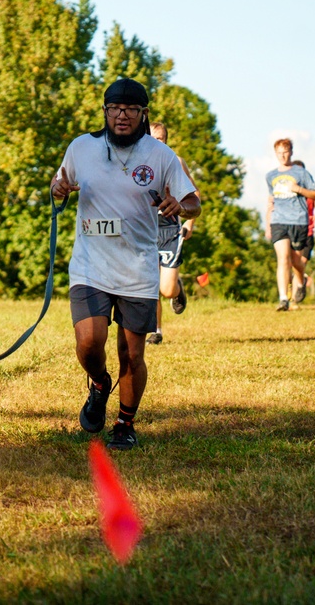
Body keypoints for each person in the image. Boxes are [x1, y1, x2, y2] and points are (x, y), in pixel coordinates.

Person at [50, 78, 200, 450]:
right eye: (115, 108)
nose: (122, 116)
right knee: (88, 343)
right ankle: (100, 383)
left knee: (131, 354)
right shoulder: (81, 148)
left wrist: (181, 206)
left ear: (143, 114)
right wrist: (58, 189)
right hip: (90, 265)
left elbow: (194, 200)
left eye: (131, 110)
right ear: (105, 111)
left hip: (137, 267)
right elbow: (60, 182)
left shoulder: (160, 155)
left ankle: (124, 424)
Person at [145, 122, 199, 345]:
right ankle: (155, 330)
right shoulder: (138, 163)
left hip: (170, 230)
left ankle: (177, 289)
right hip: (146, 229)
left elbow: (193, 195)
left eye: (160, 139)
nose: (156, 143)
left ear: (166, 141)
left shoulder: (176, 162)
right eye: (151, 138)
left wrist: (189, 223)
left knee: (166, 289)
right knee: (149, 283)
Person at [265, 139, 315, 311]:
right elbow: (271, 200)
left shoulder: (301, 173)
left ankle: (301, 280)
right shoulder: (270, 176)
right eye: (279, 152)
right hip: (279, 221)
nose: (282, 155)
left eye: (285, 151)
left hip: (298, 220)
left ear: (291, 152)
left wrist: (299, 190)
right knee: (283, 258)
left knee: (297, 262)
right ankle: (283, 298)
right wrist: (268, 222)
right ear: (275, 154)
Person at [292, 160, 315, 300]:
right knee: (294, 264)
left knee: (300, 264)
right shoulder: (287, 192)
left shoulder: (312, 191)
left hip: (308, 233)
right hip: (292, 232)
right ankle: (293, 299)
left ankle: (295, 296)